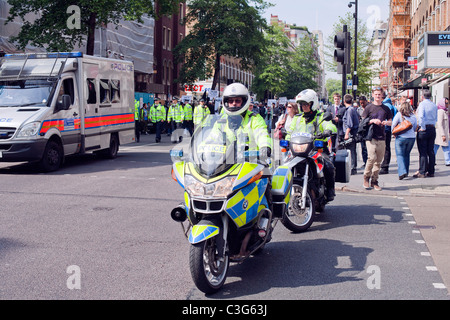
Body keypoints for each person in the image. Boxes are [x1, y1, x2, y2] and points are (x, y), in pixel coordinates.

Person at [286, 89, 337, 201]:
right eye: (302, 104)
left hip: (316, 149)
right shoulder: (297, 118)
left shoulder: (320, 116)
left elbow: (330, 125)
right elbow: (290, 132)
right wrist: (287, 139)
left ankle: (330, 190)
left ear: (313, 104)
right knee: (285, 166)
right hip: (299, 149)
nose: (304, 106)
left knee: (328, 166)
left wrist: (328, 130)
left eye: (306, 104)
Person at [209, 83, 272, 160]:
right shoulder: (221, 122)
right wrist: (202, 150)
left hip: (252, 162)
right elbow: (212, 138)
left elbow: (262, 134)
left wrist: (264, 147)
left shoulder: (254, 119)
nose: (234, 103)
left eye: (237, 101)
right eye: (231, 101)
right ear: (226, 103)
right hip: (227, 163)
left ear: (244, 102)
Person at [361, 87, 393, 191]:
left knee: (378, 161)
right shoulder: (369, 108)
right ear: (373, 95)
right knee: (371, 158)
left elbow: (391, 120)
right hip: (371, 136)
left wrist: (387, 123)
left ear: (382, 96)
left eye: (379, 95)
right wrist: (372, 121)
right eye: (376, 94)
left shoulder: (386, 108)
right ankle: (366, 177)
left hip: (382, 136)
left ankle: (374, 181)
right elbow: (363, 121)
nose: (378, 96)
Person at [413, 89, 438, 178]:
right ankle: (431, 171)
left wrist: (422, 127)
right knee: (431, 151)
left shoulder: (422, 104)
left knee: (423, 151)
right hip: (432, 128)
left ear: (422, 96)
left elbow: (420, 117)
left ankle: (422, 171)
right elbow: (436, 118)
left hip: (424, 129)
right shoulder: (434, 105)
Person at [392, 101, 418, 180]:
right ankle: (406, 172)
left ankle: (402, 172)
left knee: (400, 155)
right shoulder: (413, 116)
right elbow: (414, 127)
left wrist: (393, 133)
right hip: (411, 138)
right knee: (407, 154)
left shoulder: (399, 115)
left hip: (401, 137)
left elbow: (393, 125)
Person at [379, 95, 397, 174]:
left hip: (384, 128)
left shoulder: (385, 106)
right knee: (387, 147)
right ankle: (385, 165)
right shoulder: (393, 107)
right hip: (389, 129)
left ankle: (384, 166)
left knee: (384, 148)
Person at [342, 94, 359, 175]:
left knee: (351, 151)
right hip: (354, 133)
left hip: (351, 133)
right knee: (353, 151)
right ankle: (353, 167)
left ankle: (352, 168)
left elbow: (349, 124)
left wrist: (346, 134)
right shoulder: (353, 109)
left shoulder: (349, 110)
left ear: (344, 101)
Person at [433, 97, 449, 166]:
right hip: (440, 133)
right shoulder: (440, 111)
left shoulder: (445, 111)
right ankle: (447, 161)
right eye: (446, 103)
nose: (448, 104)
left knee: (441, 147)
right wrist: (443, 134)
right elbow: (439, 123)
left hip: (444, 133)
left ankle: (447, 161)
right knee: (441, 147)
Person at [357, 96, 369, 167]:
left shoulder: (369, 108)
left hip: (368, 129)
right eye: (360, 103)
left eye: (363, 103)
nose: (362, 104)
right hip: (362, 130)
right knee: (363, 147)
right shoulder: (358, 110)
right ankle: (365, 162)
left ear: (366, 101)